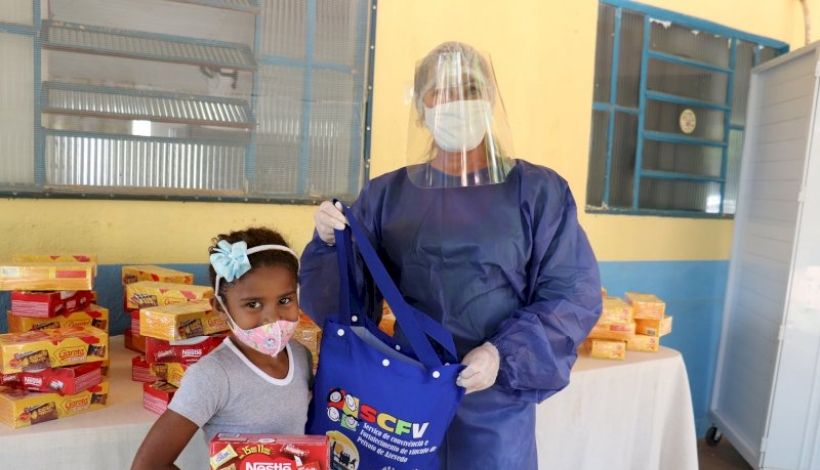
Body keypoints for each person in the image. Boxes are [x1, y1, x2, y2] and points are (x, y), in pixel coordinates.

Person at [299, 41, 602, 468]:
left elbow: (572, 293)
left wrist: (503, 354)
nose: (457, 103)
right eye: (441, 92)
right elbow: (348, 306)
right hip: (407, 394)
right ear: (420, 108)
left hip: (496, 401)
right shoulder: (387, 196)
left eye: (471, 89)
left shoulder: (537, 192)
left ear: (490, 99)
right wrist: (330, 247)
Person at [131, 227, 312, 470]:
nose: (272, 317)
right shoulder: (212, 376)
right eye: (253, 304)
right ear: (220, 307)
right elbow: (147, 466)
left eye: (285, 300)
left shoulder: (300, 355)